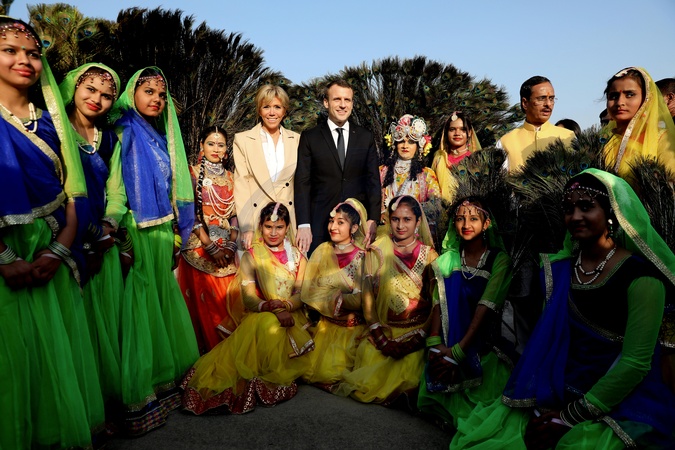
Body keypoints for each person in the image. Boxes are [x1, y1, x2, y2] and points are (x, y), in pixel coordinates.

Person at [451, 170, 675, 449]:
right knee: (496, 437)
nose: (576, 216)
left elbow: (635, 364)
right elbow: (551, 342)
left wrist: (571, 416)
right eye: (569, 209)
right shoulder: (560, 270)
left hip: (620, 398)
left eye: (587, 207)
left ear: (611, 213)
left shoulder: (642, 278)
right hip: (559, 385)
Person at [0, 17, 104, 448]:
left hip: (51, 255)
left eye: (32, 53)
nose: (23, 59)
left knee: (53, 357)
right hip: (7, 260)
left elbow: (74, 193)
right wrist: (5, 258)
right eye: (9, 50)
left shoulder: (52, 122)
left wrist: (59, 250)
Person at [113, 67, 199, 435]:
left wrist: (177, 233)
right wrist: (121, 234)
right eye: (148, 91)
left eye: (161, 95)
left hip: (162, 230)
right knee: (140, 307)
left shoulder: (161, 137)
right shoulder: (121, 129)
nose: (156, 99)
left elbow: (169, 187)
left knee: (161, 304)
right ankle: (140, 393)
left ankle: (166, 386)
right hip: (135, 228)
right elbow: (115, 183)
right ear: (131, 92)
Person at [181, 202, 314, 415]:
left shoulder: (298, 255)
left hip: (293, 314)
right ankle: (260, 380)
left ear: (288, 227)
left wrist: (286, 306)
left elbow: (301, 294)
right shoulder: (252, 255)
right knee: (268, 324)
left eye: (279, 227)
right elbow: (249, 297)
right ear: (260, 226)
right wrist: (271, 307)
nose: (273, 233)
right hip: (263, 312)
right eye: (268, 227)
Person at [59, 62, 128, 412]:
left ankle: (105, 406)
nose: (96, 99)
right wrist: (85, 231)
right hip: (63, 239)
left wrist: (108, 226)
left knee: (105, 327)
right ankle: (78, 410)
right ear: (74, 87)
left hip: (104, 241)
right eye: (90, 89)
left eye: (106, 95)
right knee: (73, 327)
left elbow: (116, 189)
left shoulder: (110, 139)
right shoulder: (53, 130)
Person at [417, 197, 513, 430]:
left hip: (481, 344)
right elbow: (439, 303)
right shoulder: (448, 259)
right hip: (447, 342)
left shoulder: (499, 260)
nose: (466, 224)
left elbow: (486, 307)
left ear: (486, 223)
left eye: (473, 219)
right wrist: (435, 345)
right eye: (460, 219)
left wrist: (458, 352)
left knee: (482, 413)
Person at [336, 195, 438, 404]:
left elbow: (437, 304)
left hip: (415, 331)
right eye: (395, 219)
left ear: (418, 221)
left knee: (412, 365)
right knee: (369, 357)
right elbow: (367, 299)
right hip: (385, 330)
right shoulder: (377, 251)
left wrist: (417, 339)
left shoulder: (430, 256)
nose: (400, 226)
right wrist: (380, 338)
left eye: (407, 219)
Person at [295, 79, 381, 255]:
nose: (343, 105)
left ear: (352, 103)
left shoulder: (365, 137)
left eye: (347, 100)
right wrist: (303, 224)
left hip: (357, 228)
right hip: (319, 227)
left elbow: (373, 181)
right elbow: (302, 182)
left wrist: (373, 219)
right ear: (326, 103)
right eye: (337, 99)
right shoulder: (310, 137)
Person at [177, 125, 239, 354]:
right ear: (201, 146)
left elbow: (234, 215)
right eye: (211, 143)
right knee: (207, 310)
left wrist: (231, 245)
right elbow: (188, 215)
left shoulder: (232, 177)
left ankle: (229, 358)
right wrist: (210, 246)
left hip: (227, 252)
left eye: (220, 145)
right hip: (199, 249)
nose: (215, 148)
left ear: (226, 150)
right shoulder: (191, 174)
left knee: (229, 305)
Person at [301, 198, 368, 390]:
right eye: (331, 221)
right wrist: (337, 298)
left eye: (340, 222)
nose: (333, 227)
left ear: (354, 228)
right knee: (310, 370)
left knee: (338, 373)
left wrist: (334, 298)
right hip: (325, 326)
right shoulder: (322, 250)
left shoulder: (363, 256)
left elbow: (360, 300)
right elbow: (309, 290)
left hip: (352, 329)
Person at [233, 85, 300, 250]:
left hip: (288, 222)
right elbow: (242, 185)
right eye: (266, 107)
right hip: (256, 220)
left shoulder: (297, 140)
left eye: (277, 107)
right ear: (259, 110)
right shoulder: (243, 140)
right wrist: (247, 226)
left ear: (284, 111)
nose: (272, 112)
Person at [602, 67, 675, 178]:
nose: (620, 102)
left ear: (647, 99)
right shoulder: (601, 140)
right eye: (613, 96)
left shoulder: (662, 139)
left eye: (630, 95)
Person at [497, 76, 575, 171]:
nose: (548, 104)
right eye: (542, 98)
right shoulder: (506, 142)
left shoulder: (569, 137)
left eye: (551, 99)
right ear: (525, 103)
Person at [379, 114, 441, 231]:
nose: (405, 146)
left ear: (419, 146)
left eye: (411, 142)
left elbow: (435, 205)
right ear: (394, 144)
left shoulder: (427, 174)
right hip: (385, 229)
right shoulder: (381, 171)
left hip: (415, 231)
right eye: (401, 141)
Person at [431, 111, 482, 201]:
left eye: (463, 129)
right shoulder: (439, 159)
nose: (457, 133)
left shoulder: (475, 161)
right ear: (446, 133)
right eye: (452, 129)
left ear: (469, 133)